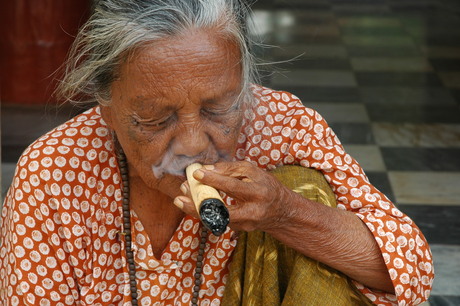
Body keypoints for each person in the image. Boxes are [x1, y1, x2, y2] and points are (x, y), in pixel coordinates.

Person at [0, 0, 433, 305]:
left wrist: (285, 213)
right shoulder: (54, 171)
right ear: (107, 110)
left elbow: (410, 274)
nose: (192, 143)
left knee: (306, 187)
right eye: (155, 117)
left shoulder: (283, 128)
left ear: (244, 87)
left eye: (217, 108)